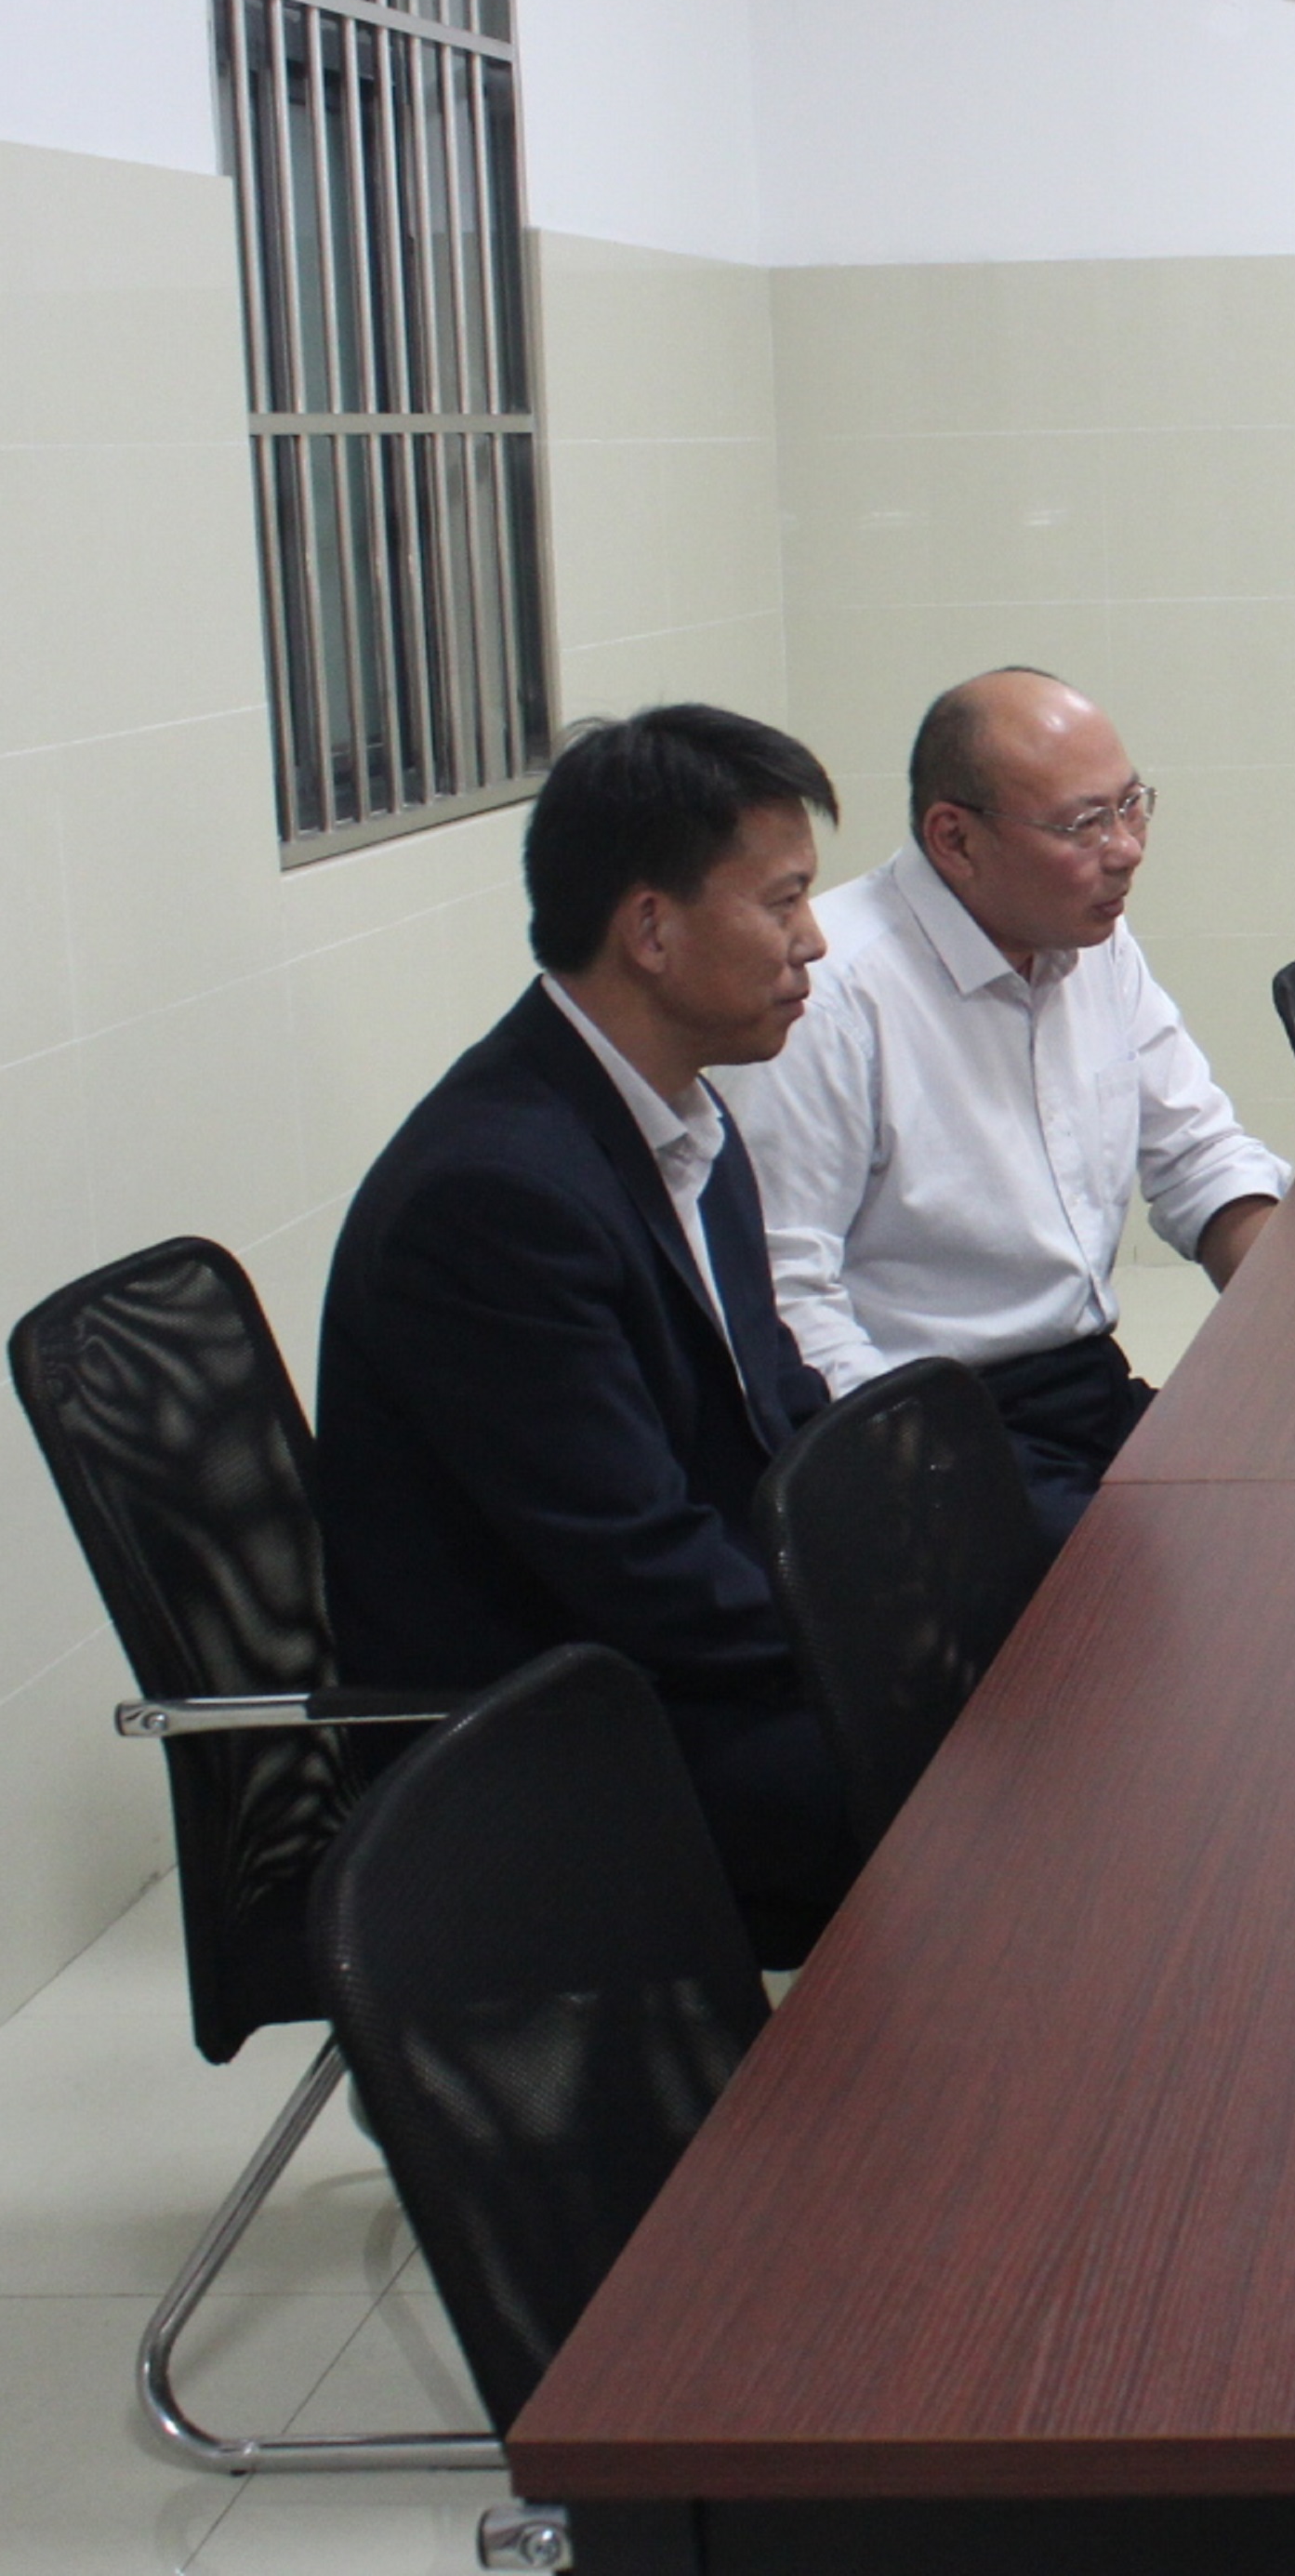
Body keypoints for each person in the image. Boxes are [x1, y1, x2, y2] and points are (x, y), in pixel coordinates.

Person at [315, 706, 853, 1960]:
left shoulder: (686, 1123)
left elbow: (780, 1419)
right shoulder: (496, 1199)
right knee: (997, 1805)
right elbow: (644, 1570)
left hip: (669, 1677)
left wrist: (919, 1572)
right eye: (781, 901)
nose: (814, 940)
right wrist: (876, 1649)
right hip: (556, 1746)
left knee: (1034, 1728)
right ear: (651, 930)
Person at [734, 669, 1292, 1542]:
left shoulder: (1090, 940)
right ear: (954, 839)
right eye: (1083, 824)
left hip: (1085, 1385)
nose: (1126, 849)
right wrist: (921, 1485)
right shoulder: (831, 993)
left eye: (1132, 806)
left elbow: (1198, 1154)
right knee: (1174, 1577)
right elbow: (788, 1300)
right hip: (933, 1425)